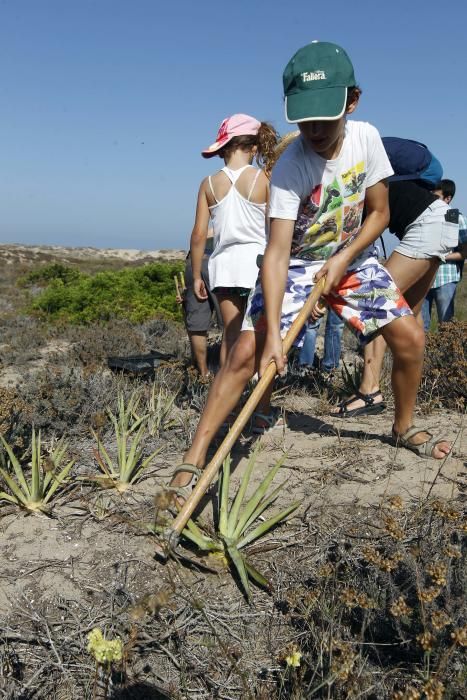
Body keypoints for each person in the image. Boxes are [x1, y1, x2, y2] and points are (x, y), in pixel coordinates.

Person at [168, 41, 450, 506]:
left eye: (326, 116)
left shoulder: (366, 139)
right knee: (244, 355)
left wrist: (343, 260)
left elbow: (378, 214)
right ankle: (193, 460)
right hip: (298, 265)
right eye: (304, 118)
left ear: (352, 102)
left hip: (353, 258)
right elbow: (277, 254)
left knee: (411, 340)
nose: (315, 129)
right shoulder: (289, 168)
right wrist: (275, 339)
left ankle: (402, 428)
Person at [332, 175, 459, 417]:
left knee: (379, 307)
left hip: (425, 226)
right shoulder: (373, 174)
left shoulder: (350, 182)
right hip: (438, 223)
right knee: (409, 314)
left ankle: (369, 391)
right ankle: (413, 391)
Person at [190, 113, 283, 433]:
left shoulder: (208, 184)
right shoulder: (263, 180)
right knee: (260, 338)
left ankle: (227, 410)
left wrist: (196, 276)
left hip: (223, 266)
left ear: (224, 146)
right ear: (253, 145)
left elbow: (199, 235)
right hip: (257, 265)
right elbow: (277, 231)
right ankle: (261, 412)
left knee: (229, 340)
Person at [422, 180, 467, 329]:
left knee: (447, 325)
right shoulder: (425, 217)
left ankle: (448, 353)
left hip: (445, 278)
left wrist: (442, 257)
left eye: (436, 197)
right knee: (421, 325)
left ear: (448, 198)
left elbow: (464, 253)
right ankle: (425, 353)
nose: (432, 200)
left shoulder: (457, 219)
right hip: (423, 277)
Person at [177, 230, 221, 379]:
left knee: (196, 323)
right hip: (220, 260)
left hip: (194, 261)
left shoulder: (209, 223)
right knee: (231, 323)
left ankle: (203, 373)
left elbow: (197, 236)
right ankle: (229, 373)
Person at [298, 308, 344, 377]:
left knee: (312, 325)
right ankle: (329, 369)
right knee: (336, 326)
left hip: (320, 297)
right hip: (341, 297)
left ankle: (304, 368)